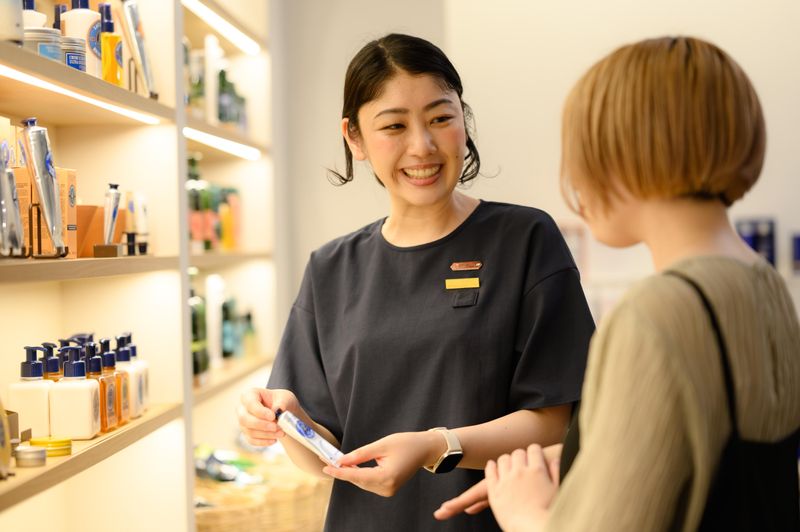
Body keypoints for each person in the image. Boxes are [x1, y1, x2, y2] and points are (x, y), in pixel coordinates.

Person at [435, 36, 800, 531]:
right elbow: (712, 460)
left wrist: (524, 511)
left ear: (628, 152)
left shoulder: (657, 313)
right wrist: (590, 461)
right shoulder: (765, 286)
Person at [237, 33, 594, 531]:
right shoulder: (331, 268)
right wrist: (288, 419)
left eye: (440, 118)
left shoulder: (525, 239)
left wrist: (436, 446)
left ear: (462, 121)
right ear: (354, 138)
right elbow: (325, 457)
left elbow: (553, 421)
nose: (421, 146)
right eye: (395, 126)